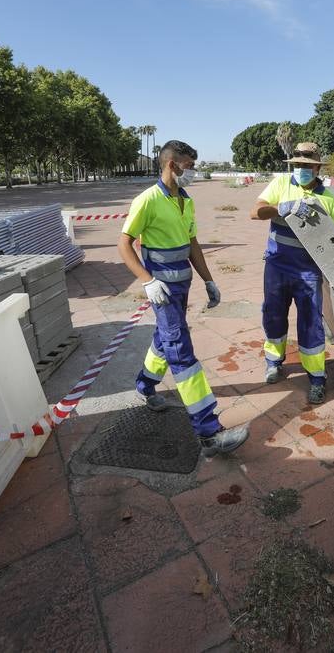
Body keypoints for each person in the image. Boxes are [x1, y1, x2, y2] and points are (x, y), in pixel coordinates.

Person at [118, 139, 249, 456]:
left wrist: (209, 280)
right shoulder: (147, 200)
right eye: (189, 167)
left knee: (165, 338)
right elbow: (124, 245)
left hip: (182, 286)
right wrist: (148, 281)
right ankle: (208, 432)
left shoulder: (186, 201)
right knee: (180, 350)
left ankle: (145, 385)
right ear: (172, 164)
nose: (193, 172)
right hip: (161, 289)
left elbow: (192, 244)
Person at [250, 142, 334, 405]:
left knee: (311, 323)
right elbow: (255, 212)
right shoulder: (281, 185)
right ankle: (273, 362)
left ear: (317, 168)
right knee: (273, 315)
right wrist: (283, 207)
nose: (302, 169)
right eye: (298, 165)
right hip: (277, 266)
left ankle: (316, 377)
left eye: (307, 166)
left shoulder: (328, 199)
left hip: (308, 272)